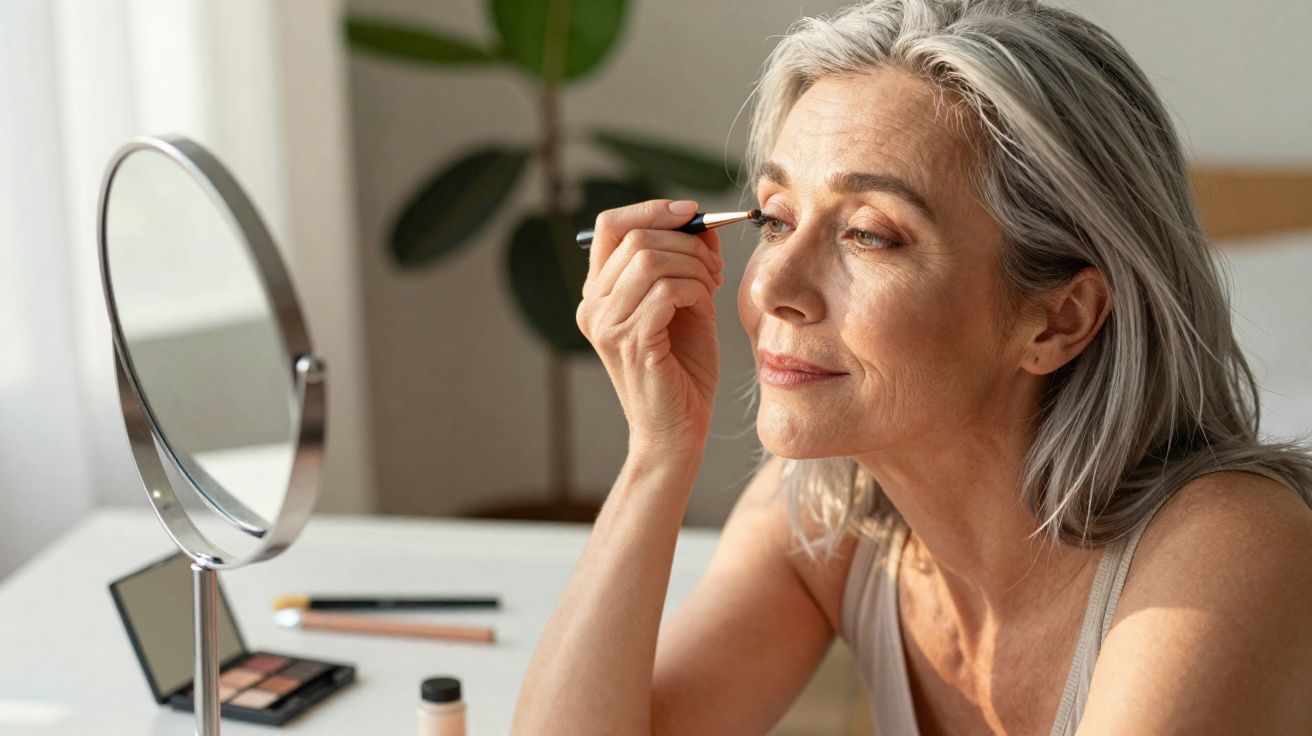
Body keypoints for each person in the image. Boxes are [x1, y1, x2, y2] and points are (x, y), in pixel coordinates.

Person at [512, 1, 1312, 733]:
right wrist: (658, 450)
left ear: (1059, 318)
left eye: (868, 233)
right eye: (778, 218)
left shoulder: (1234, 548)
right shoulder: (830, 519)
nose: (771, 287)